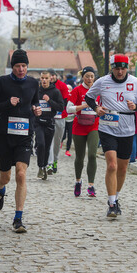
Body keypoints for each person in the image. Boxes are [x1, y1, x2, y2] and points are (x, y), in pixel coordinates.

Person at [0, 49, 41, 233]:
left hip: (24, 135)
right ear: (12, 67)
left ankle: (18, 218)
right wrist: (7, 104)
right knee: (6, 177)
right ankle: (0, 187)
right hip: (4, 136)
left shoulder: (33, 83)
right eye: (17, 66)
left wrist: (36, 110)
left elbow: (34, 103)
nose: (21, 69)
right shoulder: (2, 82)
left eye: (24, 66)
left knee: (21, 175)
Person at [85, 55, 137, 216]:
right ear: (112, 68)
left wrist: (136, 106)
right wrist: (96, 108)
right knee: (112, 165)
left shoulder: (135, 82)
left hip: (127, 128)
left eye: (123, 68)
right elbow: (89, 97)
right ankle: (112, 203)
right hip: (107, 127)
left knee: (122, 167)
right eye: (117, 68)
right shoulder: (103, 81)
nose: (120, 72)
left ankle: (116, 197)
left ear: (127, 68)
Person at [67, 66, 100, 197]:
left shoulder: (98, 91)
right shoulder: (77, 90)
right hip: (79, 125)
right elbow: (69, 108)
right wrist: (83, 106)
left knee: (92, 155)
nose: (90, 79)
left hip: (94, 125)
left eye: (92, 76)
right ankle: (78, 181)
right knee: (79, 157)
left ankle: (91, 185)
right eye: (87, 76)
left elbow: (104, 104)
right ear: (83, 77)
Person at [35, 71, 64, 180]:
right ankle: (40, 167)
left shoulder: (55, 92)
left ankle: (45, 166)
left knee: (47, 147)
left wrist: (49, 100)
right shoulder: (36, 91)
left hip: (49, 123)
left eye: (46, 78)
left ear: (50, 79)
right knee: (41, 144)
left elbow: (60, 107)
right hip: (38, 123)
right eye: (42, 78)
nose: (44, 80)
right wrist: (34, 108)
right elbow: (31, 104)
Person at [47, 69, 69, 175]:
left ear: (56, 76)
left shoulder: (62, 86)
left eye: (53, 75)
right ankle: (50, 163)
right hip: (49, 117)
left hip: (60, 116)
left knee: (57, 141)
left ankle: (55, 160)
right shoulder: (45, 86)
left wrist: (53, 104)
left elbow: (64, 102)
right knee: (49, 141)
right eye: (49, 76)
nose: (51, 78)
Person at [61, 84, 74, 157]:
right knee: (63, 134)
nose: (68, 91)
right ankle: (61, 141)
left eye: (70, 89)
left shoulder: (73, 97)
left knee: (70, 135)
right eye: (67, 89)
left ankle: (67, 150)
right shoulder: (63, 97)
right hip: (64, 119)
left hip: (71, 119)